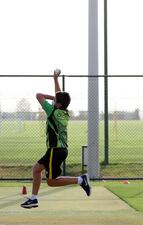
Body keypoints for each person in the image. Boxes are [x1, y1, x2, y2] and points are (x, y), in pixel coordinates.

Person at [20, 69, 91, 209]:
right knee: (36, 170)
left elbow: (39, 95)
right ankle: (34, 199)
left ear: (57, 104)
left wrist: (52, 97)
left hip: (55, 150)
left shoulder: (52, 111)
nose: (54, 100)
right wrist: (55, 79)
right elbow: (60, 97)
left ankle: (80, 180)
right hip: (59, 149)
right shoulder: (64, 111)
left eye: (55, 100)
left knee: (51, 182)